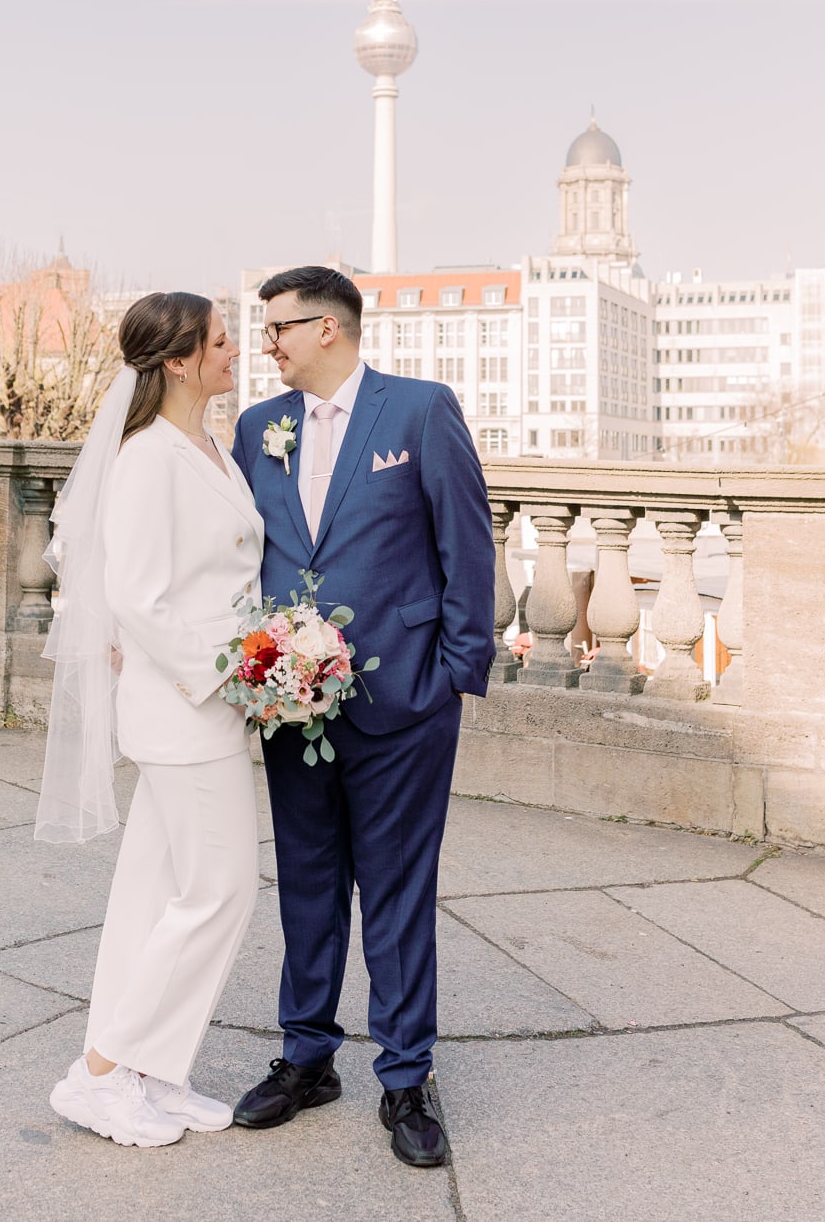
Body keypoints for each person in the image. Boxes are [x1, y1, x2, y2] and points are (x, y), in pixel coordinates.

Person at [230, 267, 494, 1169]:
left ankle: (406, 1075)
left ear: (330, 330)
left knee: (394, 889)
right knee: (306, 882)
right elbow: (242, 550)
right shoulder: (255, 431)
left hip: (404, 701)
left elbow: (467, 541)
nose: (268, 344)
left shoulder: (420, 411)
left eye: (279, 329)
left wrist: (454, 674)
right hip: (288, 705)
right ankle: (306, 1056)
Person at [35, 292, 263, 1149]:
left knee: (153, 896)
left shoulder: (211, 445)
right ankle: (99, 1074)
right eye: (218, 338)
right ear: (176, 359)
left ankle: (147, 1074)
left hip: (203, 705)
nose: (233, 347)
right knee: (220, 890)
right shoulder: (146, 458)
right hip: (183, 710)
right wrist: (235, 670)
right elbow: (136, 594)